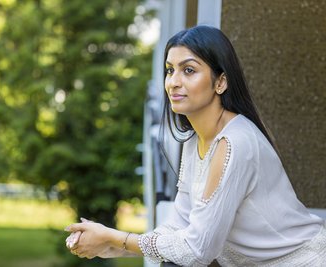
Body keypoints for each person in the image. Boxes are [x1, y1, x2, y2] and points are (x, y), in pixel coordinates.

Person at [64, 25, 326, 266]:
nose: (174, 82)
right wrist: (113, 245)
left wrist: (116, 237)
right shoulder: (196, 141)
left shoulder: (235, 143)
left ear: (220, 82)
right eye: (170, 70)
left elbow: (198, 250)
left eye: (188, 70)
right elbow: (178, 227)